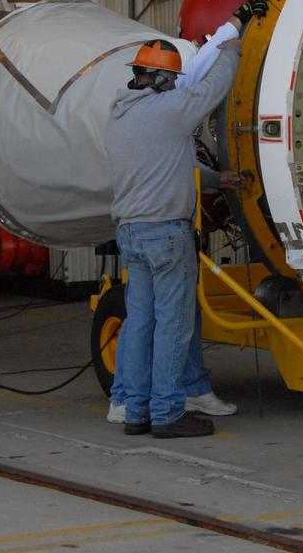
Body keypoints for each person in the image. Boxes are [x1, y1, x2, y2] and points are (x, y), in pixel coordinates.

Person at [105, 0, 266, 438]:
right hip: (165, 235)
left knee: (140, 323)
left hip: (131, 234)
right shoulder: (169, 109)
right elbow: (215, 86)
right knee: (174, 325)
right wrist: (232, 42)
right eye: (172, 78)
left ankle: (135, 410)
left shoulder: (120, 117)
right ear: (160, 79)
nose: (176, 85)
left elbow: (164, 164)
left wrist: (216, 180)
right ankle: (168, 413)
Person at [105, 163, 242, 423]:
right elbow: (175, 161)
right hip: (162, 227)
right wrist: (216, 178)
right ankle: (163, 406)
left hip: (132, 225)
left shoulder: (122, 136)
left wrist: (214, 179)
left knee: (145, 318)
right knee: (171, 320)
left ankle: (134, 402)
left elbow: (171, 162)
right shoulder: (166, 136)